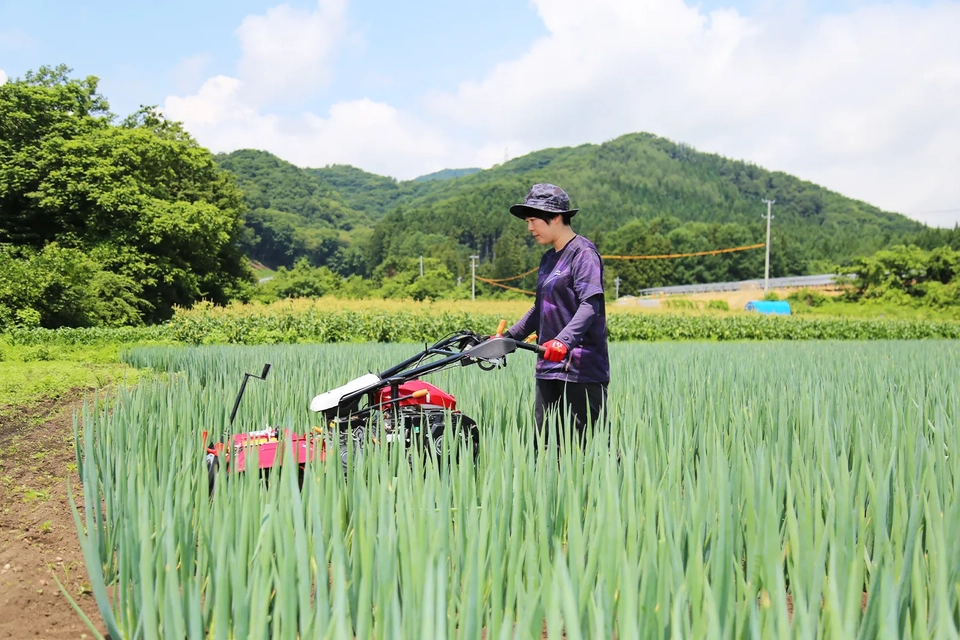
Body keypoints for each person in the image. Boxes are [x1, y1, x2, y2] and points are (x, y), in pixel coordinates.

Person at [498, 183, 610, 446]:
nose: (530, 228)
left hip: (581, 370)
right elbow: (540, 309)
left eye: (534, 220)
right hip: (548, 367)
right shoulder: (549, 259)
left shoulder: (583, 253)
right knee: (545, 446)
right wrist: (507, 338)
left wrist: (563, 341)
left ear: (556, 217)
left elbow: (590, 305)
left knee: (588, 449)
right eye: (527, 221)